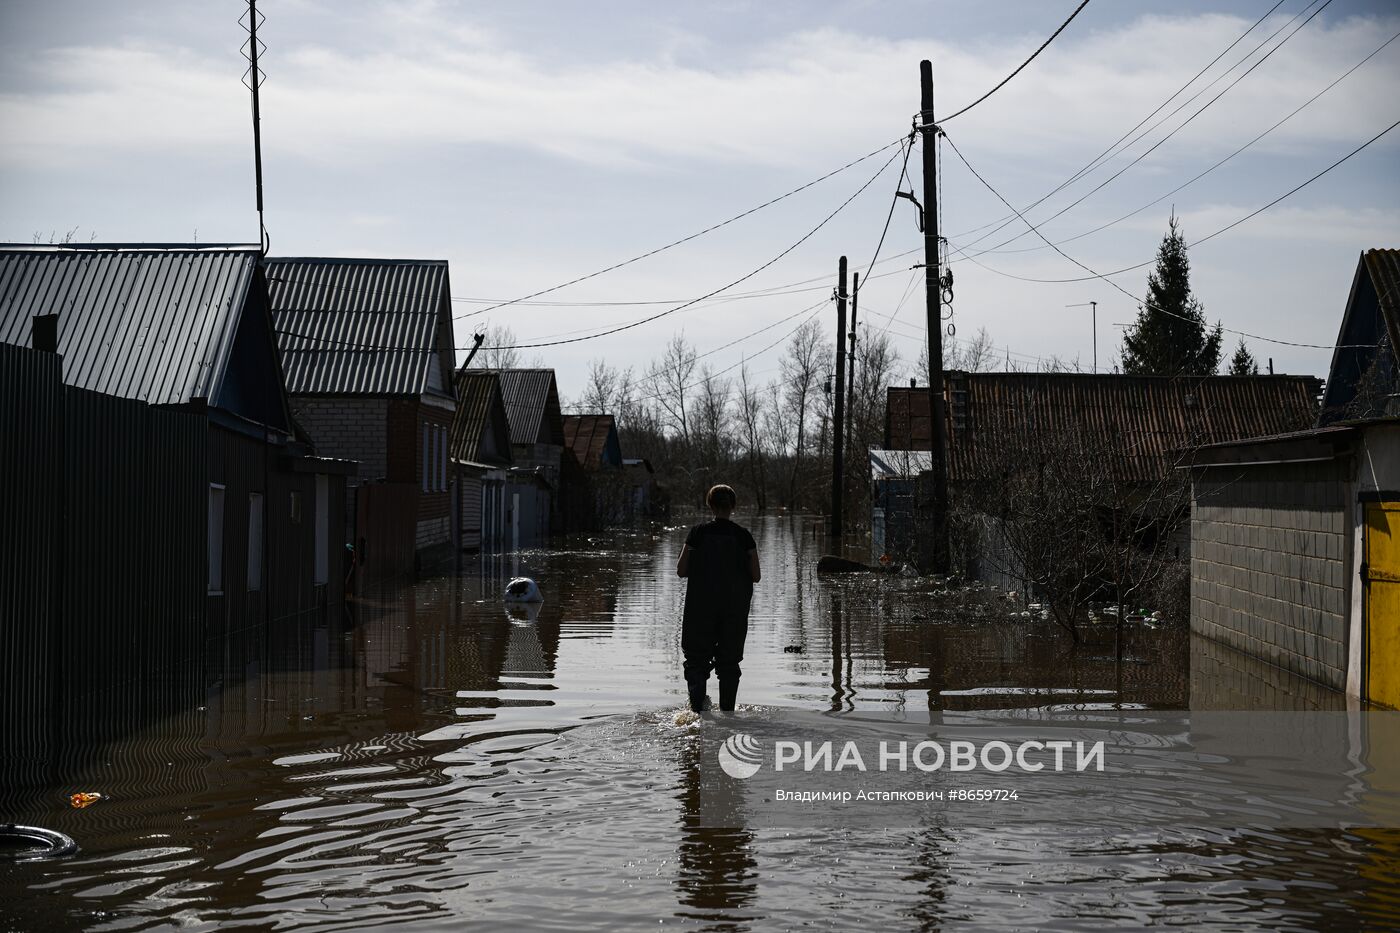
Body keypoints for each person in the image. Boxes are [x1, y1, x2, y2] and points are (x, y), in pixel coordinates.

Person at [676, 484, 761, 712]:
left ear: (710, 505)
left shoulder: (697, 534)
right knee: (729, 663)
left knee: (695, 661)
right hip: (733, 610)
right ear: (733, 506)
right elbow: (756, 576)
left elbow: (681, 570)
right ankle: (727, 715)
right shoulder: (744, 537)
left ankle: (697, 713)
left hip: (699, 609)